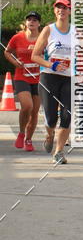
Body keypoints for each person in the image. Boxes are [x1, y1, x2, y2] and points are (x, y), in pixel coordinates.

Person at [32, 0, 73, 165]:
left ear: (70, 11)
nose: (61, 10)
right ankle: (49, 134)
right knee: (51, 118)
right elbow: (35, 55)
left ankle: (59, 151)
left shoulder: (77, 31)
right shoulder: (49, 30)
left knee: (67, 115)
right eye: (58, 7)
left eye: (65, 7)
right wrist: (52, 65)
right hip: (49, 77)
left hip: (69, 78)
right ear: (54, 10)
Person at [5, 11, 42, 151]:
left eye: (34, 20)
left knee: (34, 112)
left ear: (39, 23)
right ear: (26, 23)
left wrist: (40, 53)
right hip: (22, 76)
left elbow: (50, 54)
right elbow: (7, 52)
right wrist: (15, 62)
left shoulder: (43, 38)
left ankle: (28, 139)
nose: (31, 22)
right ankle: (21, 133)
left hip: (38, 78)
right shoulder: (17, 37)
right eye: (29, 20)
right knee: (27, 106)